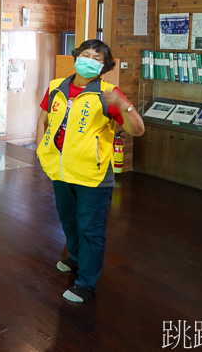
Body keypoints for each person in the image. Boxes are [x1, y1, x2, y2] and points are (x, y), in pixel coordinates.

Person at [36, 39, 144, 303]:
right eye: (86, 54)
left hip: (92, 175)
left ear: (104, 66)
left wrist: (123, 104)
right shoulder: (56, 87)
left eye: (97, 58)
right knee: (68, 220)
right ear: (75, 57)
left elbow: (137, 130)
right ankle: (75, 256)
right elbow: (44, 117)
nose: (90, 60)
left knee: (91, 229)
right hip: (60, 170)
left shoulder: (108, 93)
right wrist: (42, 148)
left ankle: (87, 282)